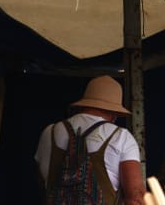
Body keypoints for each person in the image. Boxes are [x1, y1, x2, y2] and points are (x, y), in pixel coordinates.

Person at [35, 76, 146, 205]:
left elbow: (42, 182)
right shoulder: (121, 137)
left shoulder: (49, 132)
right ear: (114, 112)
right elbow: (135, 196)